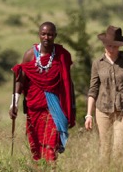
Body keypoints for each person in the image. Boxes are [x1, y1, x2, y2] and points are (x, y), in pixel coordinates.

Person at [11, 21, 75, 162]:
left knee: (51, 147)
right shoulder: (30, 55)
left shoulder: (62, 56)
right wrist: (14, 103)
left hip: (54, 109)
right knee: (36, 148)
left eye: (50, 35)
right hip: (34, 109)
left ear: (55, 36)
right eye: (44, 34)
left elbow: (67, 83)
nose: (47, 37)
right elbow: (20, 81)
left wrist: (71, 107)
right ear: (39, 35)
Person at [84, 25, 123, 159]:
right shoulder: (98, 63)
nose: (111, 49)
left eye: (115, 46)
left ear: (120, 46)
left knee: (119, 150)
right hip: (102, 110)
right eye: (109, 45)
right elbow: (93, 90)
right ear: (104, 44)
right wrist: (88, 114)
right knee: (105, 149)